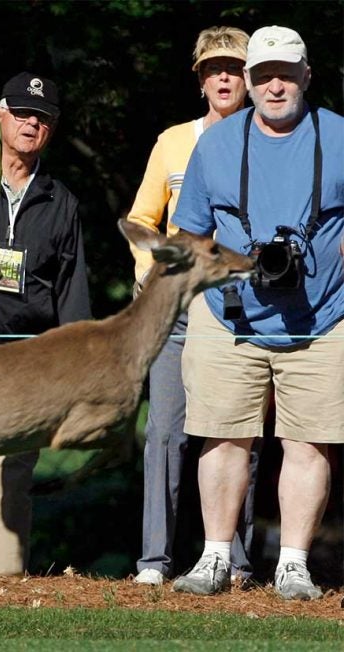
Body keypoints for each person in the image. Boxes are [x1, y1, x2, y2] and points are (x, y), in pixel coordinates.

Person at [170, 26, 344, 600]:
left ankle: (293, 564)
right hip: (229, 317)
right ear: (248, 82)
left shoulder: (340, 137)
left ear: (306, 76)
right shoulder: (215, 146)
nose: (275, 85)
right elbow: (190, 233)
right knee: (221, 437)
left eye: (286, 74)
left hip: (324, 316)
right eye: (264, 75)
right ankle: (215, 556)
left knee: (310, 441)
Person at [126, 27, 259, 586]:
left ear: (250, 78)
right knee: (164, 433)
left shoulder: (271, 139)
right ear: (200, 78)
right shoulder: (173, 140)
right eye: (213, 69)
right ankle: (155, 561)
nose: (223, 77)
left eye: (233, 68)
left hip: (241, 310)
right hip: (176, 309)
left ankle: (236, 561)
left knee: (238, 434)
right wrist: (151, 279)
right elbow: (141, 220)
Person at [0, 73, 91, 576]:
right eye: (22, 112)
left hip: (26, 357)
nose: (31, 123)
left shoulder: (61, 200)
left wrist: (76, 364)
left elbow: (72, 289)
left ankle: (5, 584)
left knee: (13, 470)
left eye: (41, 117)